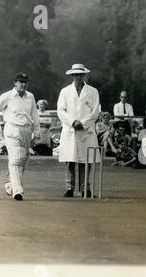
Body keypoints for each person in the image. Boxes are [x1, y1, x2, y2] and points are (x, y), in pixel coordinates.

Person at [0, 73, 40, 200]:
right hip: (12, 129)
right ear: (15, 83)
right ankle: (17, 190)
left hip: (27, 130)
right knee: (16, 159)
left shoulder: (30, 97)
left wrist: (37, 133)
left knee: (22, 161)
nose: (23, 84)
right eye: (20, 81)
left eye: (25, 82)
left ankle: (10, 184)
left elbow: (35, 116)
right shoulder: (7, 96)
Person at [57, 63, 100, 198]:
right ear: (72, 76)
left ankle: (84, 188)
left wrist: (83, 123)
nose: (78, 77)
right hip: (70, 129)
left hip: (86, 130)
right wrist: (73, 122)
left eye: (80, 75)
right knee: (70, 160)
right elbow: (60, 110)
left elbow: (95, 111)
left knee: (85, 160)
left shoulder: (93, 91)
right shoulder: (65, 91)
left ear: (84, 75)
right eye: (75, 75)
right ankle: (70, 188)